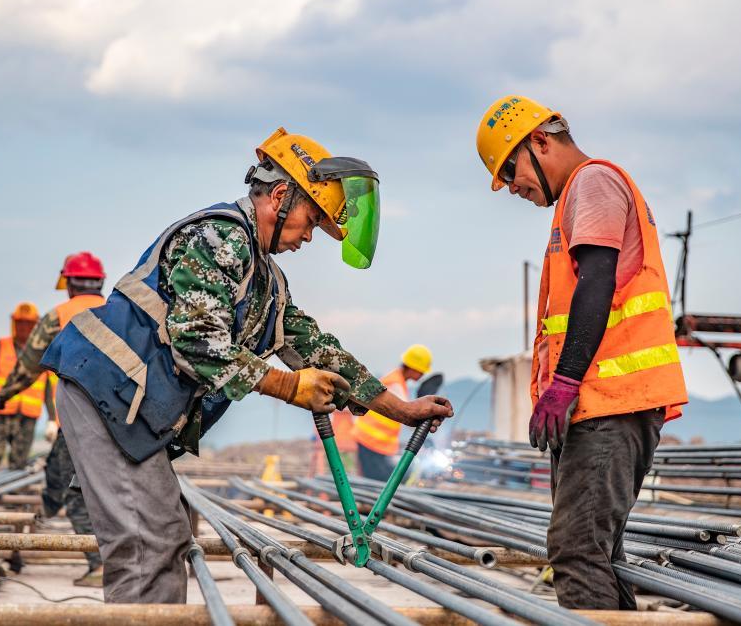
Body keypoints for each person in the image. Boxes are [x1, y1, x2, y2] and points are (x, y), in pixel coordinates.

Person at [41, 127, 454, 604]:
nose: (308, 237)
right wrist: (284, 385)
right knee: (146, 544)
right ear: (280, 197)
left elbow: (315, 347)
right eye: (310, 221)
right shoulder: (221, 238)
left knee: (165, 536)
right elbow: (197, 342)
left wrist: (399, 410)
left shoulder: (265, 278)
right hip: (105, 390)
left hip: (125, 403)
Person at [475, 96, 688, 610]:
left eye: (512, 171)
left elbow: (598, 279)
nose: (513, 188)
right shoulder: (578, 194)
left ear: (540, 142)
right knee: (596, 554)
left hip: (609, 403)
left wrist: (566, 381)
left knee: (575, 551)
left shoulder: (592, 183)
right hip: (598, 406)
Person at [0, 252, 106, 587]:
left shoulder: (59, 316)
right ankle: (30, 534)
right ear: (100, 282)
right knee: (71, 485)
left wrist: (4, 395)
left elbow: (29, 365)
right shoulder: (119, 312)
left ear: (69, 283)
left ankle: (101, 564)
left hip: (77, 421)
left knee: (75, 493)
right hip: (119, 423)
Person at [0, 302, 52, 471]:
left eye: (28, 323)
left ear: (35, 325)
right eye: (20, 322)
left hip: (27, 416)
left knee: (19, 465)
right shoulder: (0, 347)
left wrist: (53, 419)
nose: (24, 327)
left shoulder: (43, 351)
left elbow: (49, 387)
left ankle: (16, 495)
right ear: (14, 323)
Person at [352, 344, 432, 480]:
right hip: (373, 441)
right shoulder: (396, 386)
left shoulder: (396, 379)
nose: (422, 375)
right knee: (379, 482)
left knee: (372, 481)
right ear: (413, 368)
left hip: (371, 440)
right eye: (421, 371)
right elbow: (408, 415)